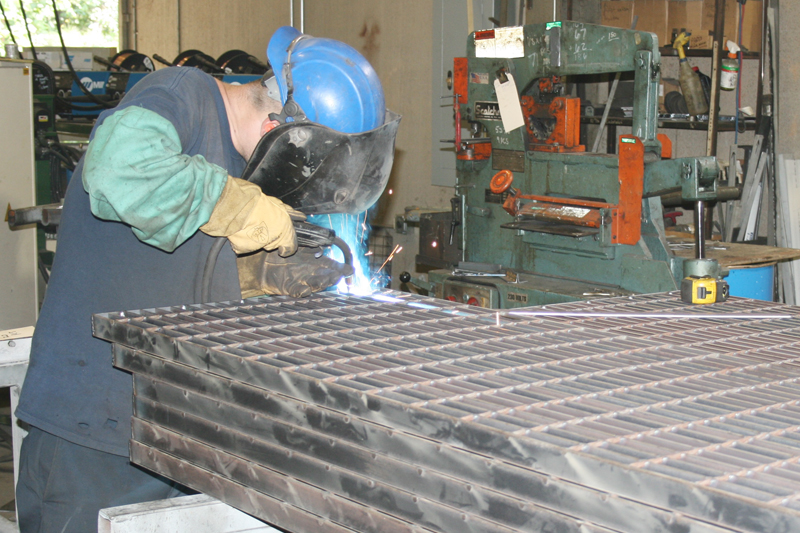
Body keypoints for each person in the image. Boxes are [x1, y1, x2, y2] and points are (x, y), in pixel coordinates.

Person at [15, 26, 386, 532]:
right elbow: (119, 170)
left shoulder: (244, 160)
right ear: (281, 129)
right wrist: (235, 206)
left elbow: (171, 262)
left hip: (178, 435)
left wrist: (254, 277)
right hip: (94, 435)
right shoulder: (180, 93)